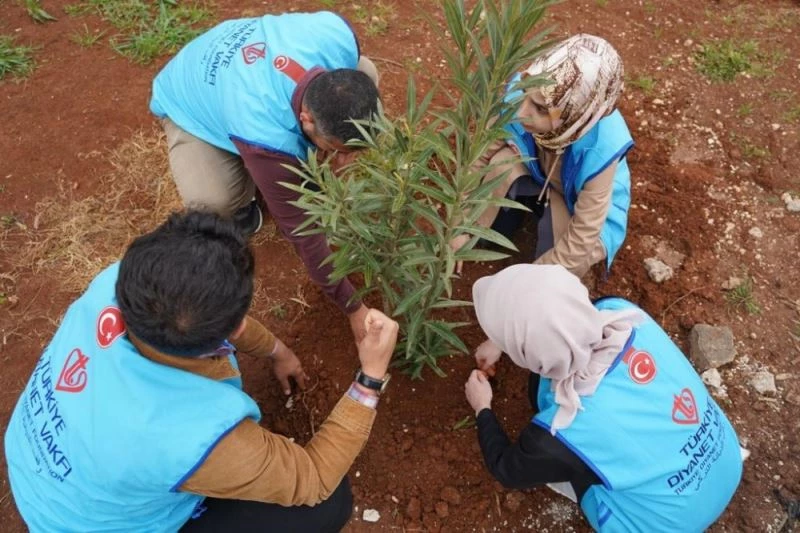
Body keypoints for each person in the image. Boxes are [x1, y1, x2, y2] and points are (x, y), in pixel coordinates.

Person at [4, 211, 398, 533]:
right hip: (85, 523)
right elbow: (311, 478)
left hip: (36, 463)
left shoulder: (123, 281)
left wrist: (277, 351)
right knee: (329, 505)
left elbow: (227, 322)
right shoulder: (187, 435)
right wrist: (370, 376)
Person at [149, 11, 381, 340]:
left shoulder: (336, 33)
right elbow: (304, 233)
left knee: (366, 72)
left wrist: (340, 147)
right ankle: (245, 202)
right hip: (191, 96)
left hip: (243, 66)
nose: (345, 159)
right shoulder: (264, 133)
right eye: (337, 148)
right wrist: (353, 308)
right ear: (306, 120)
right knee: (213, 201)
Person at [464, 264, 742, 532]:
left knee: (579, 461)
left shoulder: (563, 431)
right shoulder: (621, 312)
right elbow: (556, 319)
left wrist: (482, 406)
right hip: (726, 459)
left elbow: (507, 469)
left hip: (668, 525)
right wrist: (500, 342)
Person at [453, 34, 633, 279]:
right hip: (539, 174)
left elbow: (583, 237)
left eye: (540, 108)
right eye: (525, 95)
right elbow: (478, 160)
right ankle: (491, 231)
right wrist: (459, 226)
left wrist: (526, 282)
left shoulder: (600, 149)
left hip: (582, 210)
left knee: (560, 271)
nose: (520, 112)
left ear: (575, 115)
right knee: (499, 163)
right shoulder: (523, 96)